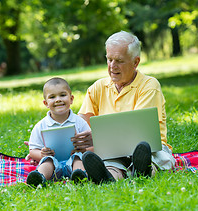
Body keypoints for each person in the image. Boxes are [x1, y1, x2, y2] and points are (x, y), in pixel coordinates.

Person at [71, 30, 175, 184]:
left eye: (119, 60)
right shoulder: (97, 87)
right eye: (109, 59)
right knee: (111, 165)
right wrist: (42, 148)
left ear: (136, 62)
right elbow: (80, 125)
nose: (112, 66)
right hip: (111, 150)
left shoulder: (149, 86)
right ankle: (108, 178)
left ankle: (143, 170)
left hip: (148, 148)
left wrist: (98, 138)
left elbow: (138, 130)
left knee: (151, 158)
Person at [26, 77, 91, 187]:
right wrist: (41, 154)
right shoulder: (41, 126)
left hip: (73, 161)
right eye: (52, 97)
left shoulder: (80, 122)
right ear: (46, 103)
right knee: (48, 161)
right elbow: (32, 151)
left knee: (78, 158)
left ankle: (80, 176)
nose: (58, 99)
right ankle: (39, 178)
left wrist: (83, 149)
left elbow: (92, 146)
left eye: (62, 95)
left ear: (71, 99)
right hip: (53, 164)